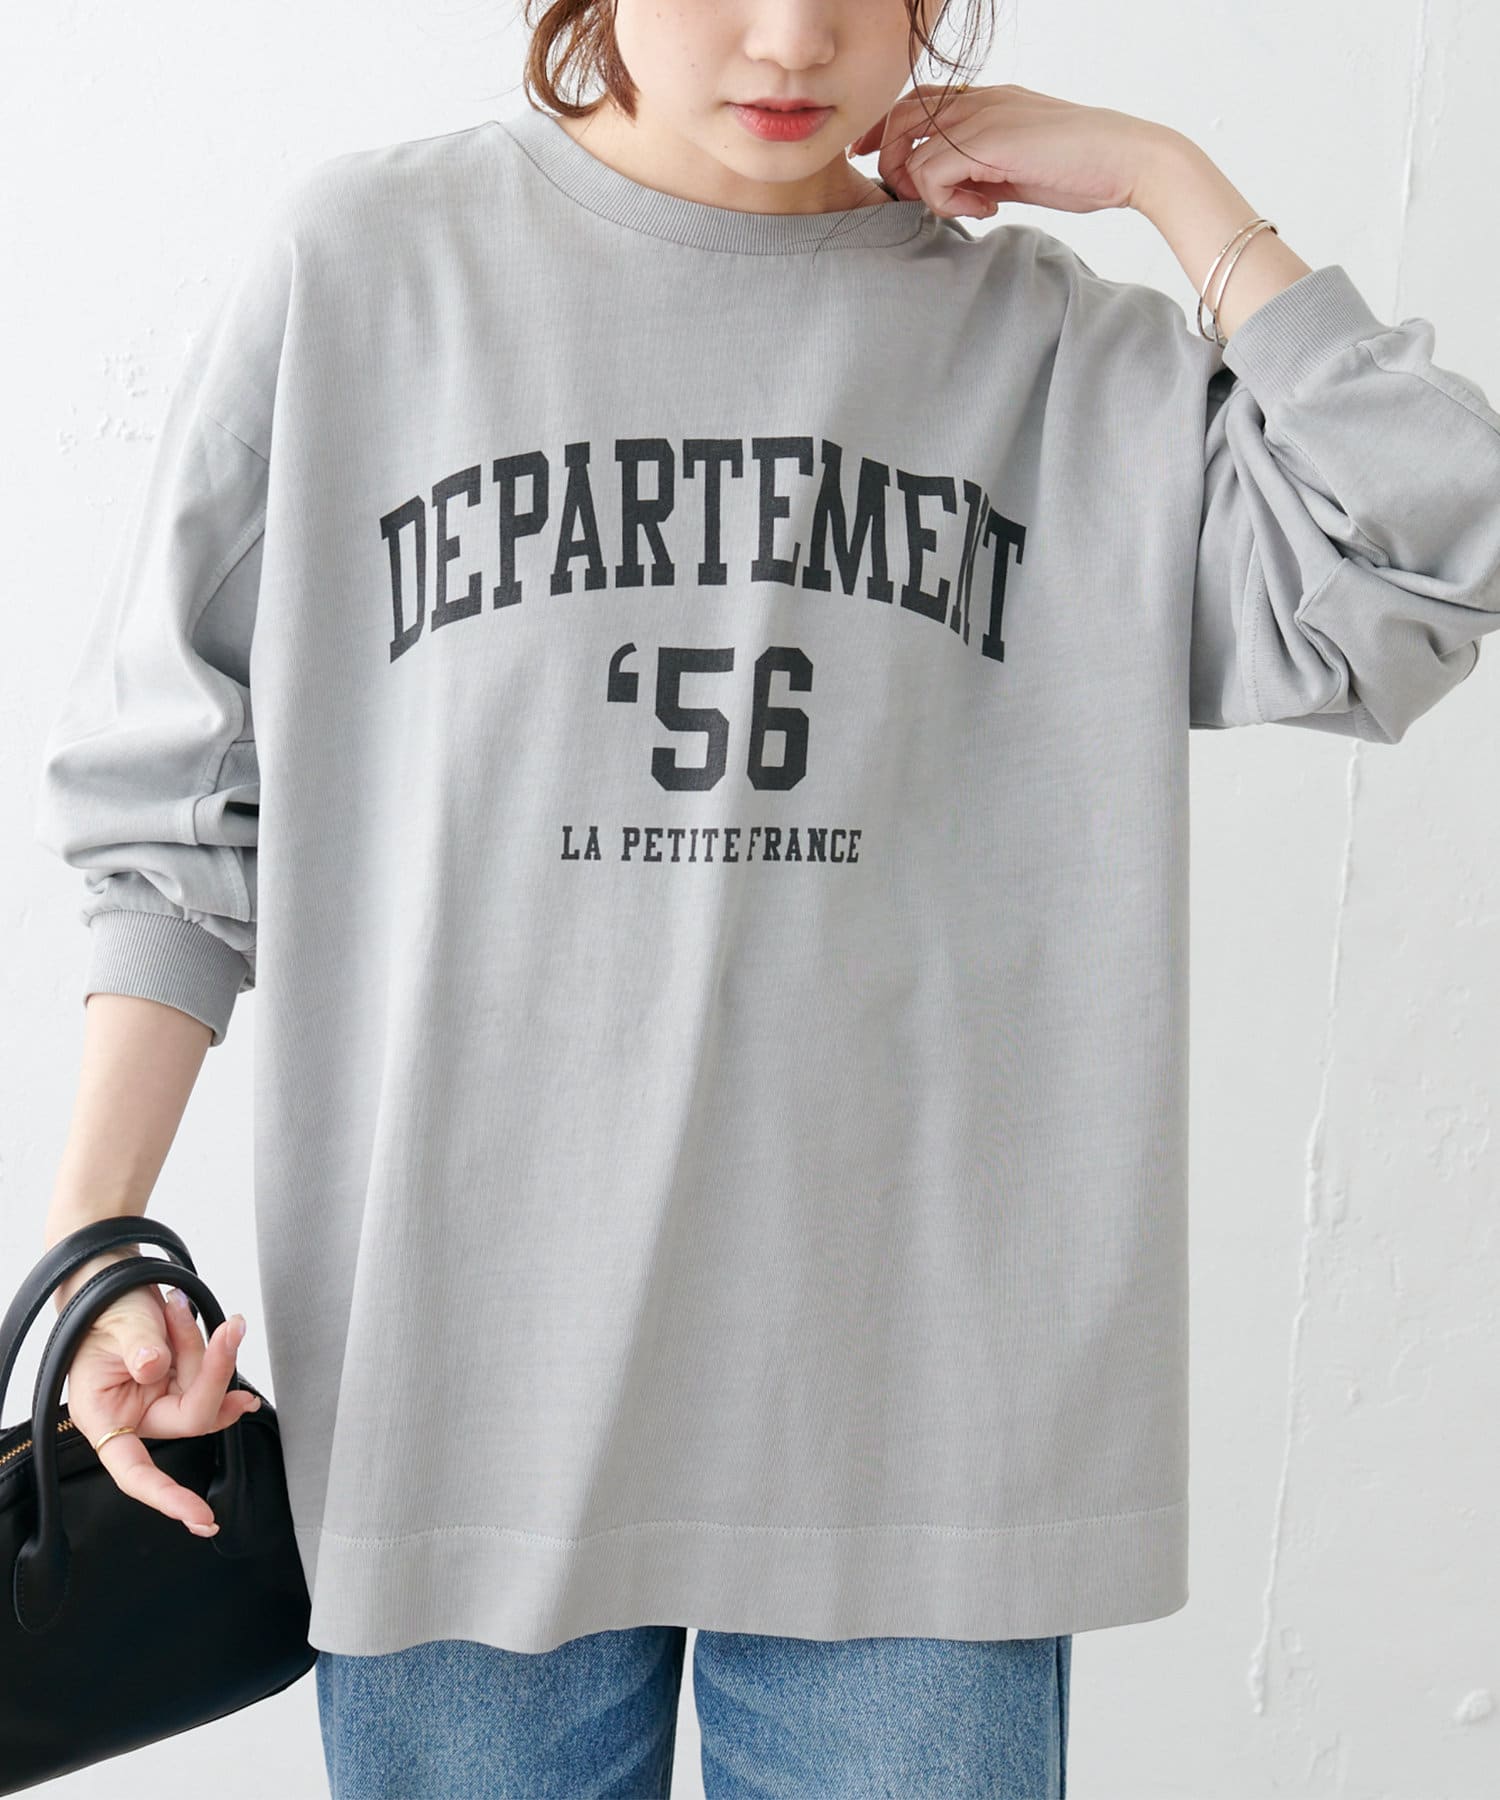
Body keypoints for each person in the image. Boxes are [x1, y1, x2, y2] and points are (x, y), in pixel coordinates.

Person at [32, 0, 1499, 1794]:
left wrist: (1168, 181)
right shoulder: (366, 274)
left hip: (924, 1434)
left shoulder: (1056, 359)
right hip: (460, 1404)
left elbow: (1427, 557)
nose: (793, 38)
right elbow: (177, 804)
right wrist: (92, 1239)